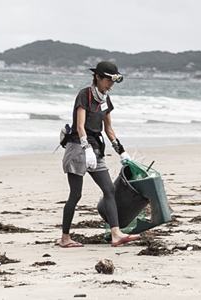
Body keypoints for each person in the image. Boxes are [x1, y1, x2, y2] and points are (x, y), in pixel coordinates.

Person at [59, 61, 140, 248]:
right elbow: (80, 126)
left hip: (96, 149)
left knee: (110, 190)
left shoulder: (105, 100)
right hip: (78, 148)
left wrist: (122, 151)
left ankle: (116, 234)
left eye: (113, 81)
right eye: (108, 80)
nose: (110, 85)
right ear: (97, 77)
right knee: (75, 194)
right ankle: (65, 238)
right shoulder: (84, 95)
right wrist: (86, 149)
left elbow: (109, 129)